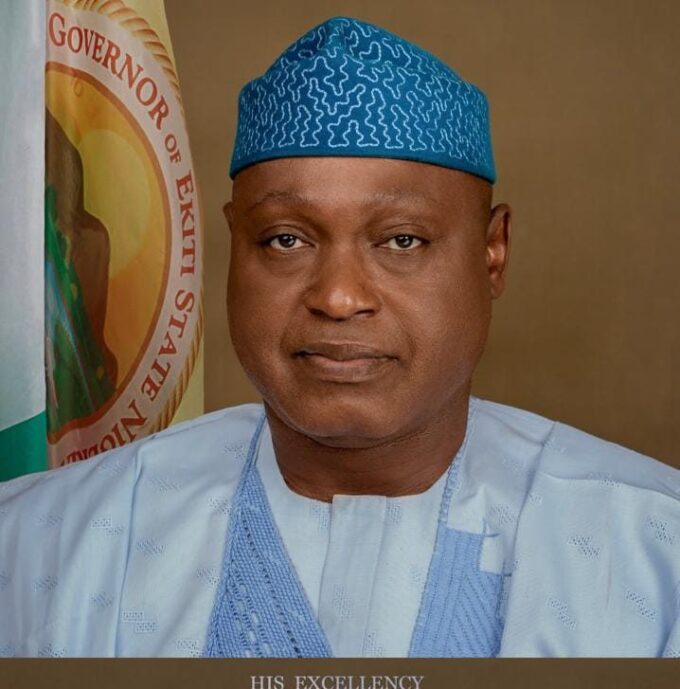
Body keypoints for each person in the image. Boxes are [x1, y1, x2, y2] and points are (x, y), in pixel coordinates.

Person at [1, 16, 678, 659]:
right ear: (235, 242)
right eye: (285, 239)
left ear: (492, 252)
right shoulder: (39, 547)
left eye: (402, 241)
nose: (338, 296)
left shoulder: (654, 552)